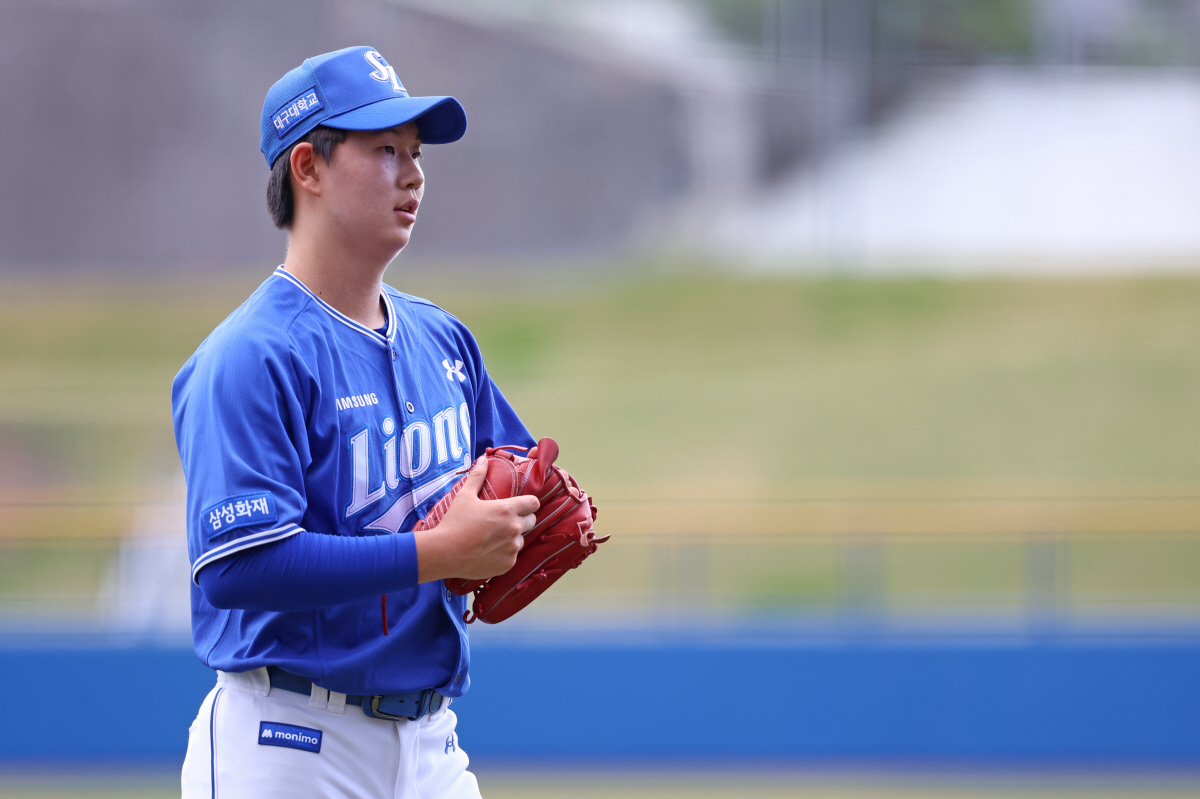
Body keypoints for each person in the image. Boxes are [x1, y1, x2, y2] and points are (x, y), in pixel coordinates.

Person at [173, 45, 539, 799]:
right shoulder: (249, 356)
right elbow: (241, 565)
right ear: (307, 167)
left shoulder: (444, 340)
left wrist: (520, 515)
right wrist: (436, 550)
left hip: (431, 739)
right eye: (384, 150)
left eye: (414, 152)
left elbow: (513, 466)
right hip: (289, 738)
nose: (413, 173)